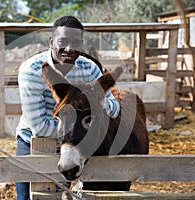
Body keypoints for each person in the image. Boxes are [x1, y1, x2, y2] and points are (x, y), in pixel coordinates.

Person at [15, 16, 120, 200]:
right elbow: (39, 127)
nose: (70, 49)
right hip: (34, 141)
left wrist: (101, 102)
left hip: (73, 145)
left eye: (76, 42)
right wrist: (79, 134)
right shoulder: (31, 71)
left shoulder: (90, 69)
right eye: (63, 41)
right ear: (51, 41)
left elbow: (114, 108)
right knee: (27, 197)